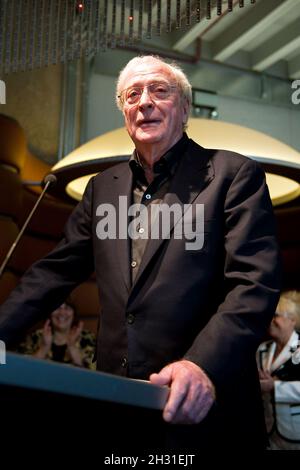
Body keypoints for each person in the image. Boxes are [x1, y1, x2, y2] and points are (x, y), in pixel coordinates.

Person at [0, 55, 281, 451]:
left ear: (184, 109)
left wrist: (200, 365)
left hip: (206, 410)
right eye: (132, 94)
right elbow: (51, 274)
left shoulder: (234, 175)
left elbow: (254, 286)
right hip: (120, 410)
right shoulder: (102, 188)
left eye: (158, 90)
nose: (144, 101)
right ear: (124, 113)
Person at [257, 292, 300, 450]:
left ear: (293, 320)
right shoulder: (262, 349)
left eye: (276, 315)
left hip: (295, 434)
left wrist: (275, 387)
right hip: (269, 431)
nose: (270, 320)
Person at [17, 302, 96, 369]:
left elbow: (93, 377)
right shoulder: (35, 336)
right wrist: (44, 348)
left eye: (67, 308)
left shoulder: (88, 338)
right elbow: (22, 370)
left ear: (74, 314)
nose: (62, 313)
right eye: (57, 308)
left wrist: (72, 347)